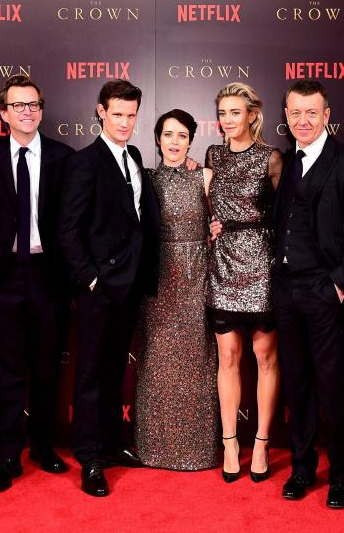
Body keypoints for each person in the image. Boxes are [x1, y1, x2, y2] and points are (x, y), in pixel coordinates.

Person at [273, 80, 344, 509]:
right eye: (295, 113)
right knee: (296, 385)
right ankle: (302, 468)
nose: (303, 121)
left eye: (311, 112)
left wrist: (337, 283)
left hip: (323, 290)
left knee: (332, 387)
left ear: (328, 115)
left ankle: (339, 478)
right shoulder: (287, 162)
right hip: (285, 291)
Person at [57, 79, 161, 497]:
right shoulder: (84, 162)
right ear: (101, 113)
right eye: (117, 114)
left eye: (131, 115)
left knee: (116, 369)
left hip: (130, 285)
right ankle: (89, 458)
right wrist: (91, 278)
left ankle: (112, 443)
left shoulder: (134, 155)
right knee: (90, 374)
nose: (125, 122)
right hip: (100, 287)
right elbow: (67, 229)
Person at [0, 76, 75, 492]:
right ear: (4, 114)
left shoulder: (63, 157)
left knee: (47, 367)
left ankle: (43, 447)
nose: (27, 111)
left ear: (42, 109)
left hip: (47, 277)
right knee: (7, 371)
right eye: (18, 106)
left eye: (33, 104)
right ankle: (8, 456)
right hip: (1, 279)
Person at [133, 109, 219, 471]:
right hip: (157, 280)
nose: (174, 142)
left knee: (198, 362)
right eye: (168, 135)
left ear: (191, 140)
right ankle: (152, 448)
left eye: (182, 136)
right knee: (155, 361)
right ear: (157, 139)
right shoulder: (145, 178)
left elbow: (222, 222)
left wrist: (215, 229)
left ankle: (198, 452)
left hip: (196, 275)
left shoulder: (205, 176)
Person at [205, 82, 283, 483]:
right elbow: (205, 203)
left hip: (261, 265)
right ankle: (231, 442)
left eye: (235, 112)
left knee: (265, 358)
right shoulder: (213, 155)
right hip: (223, 264)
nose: (227, 120)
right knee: (229, 358)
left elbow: (286, 216)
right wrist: (209, 225)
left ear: (252, 114)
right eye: (222, 113)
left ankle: (263, 442)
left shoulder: (272, 158)